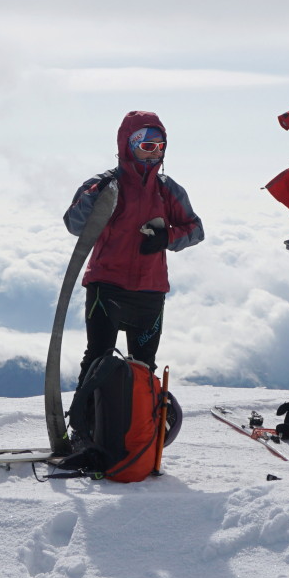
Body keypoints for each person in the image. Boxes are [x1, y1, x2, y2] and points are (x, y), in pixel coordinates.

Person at [63, 111, 204, 383]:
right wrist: (94, 195)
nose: (155, 153)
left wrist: (167, 237)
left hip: (150, 291)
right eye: (147, 145)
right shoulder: (104, 185)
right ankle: (86, 412)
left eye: (160, 146)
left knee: (144, 366)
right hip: (107, 286)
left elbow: (196, 230)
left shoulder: (167, 189)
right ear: (129, 145)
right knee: (98, 359)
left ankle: (139, 413)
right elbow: (75, 225)